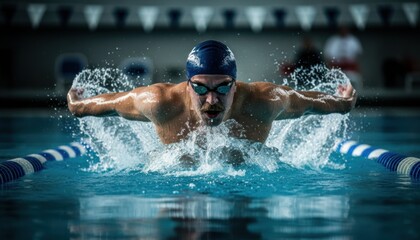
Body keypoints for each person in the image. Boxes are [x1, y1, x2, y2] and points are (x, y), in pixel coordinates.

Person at [68, 40, 356, 144]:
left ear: (235, 83)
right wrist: (79, 105)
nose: (211, 99)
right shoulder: (160, 102)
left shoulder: (264, 101)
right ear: (187, 83)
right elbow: (112, 103)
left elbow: (304, 101)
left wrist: (342, 103)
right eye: (201, 88)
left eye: (222, 88)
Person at [324, 26, 363, 90]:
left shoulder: (353, 40)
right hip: (337, 67)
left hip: (350, 67)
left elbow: (358, 56)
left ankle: (358, 95)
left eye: (345, 29)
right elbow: (328, 57)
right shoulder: (333, 40)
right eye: (342, 29)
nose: (343, 31)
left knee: (356, 79)